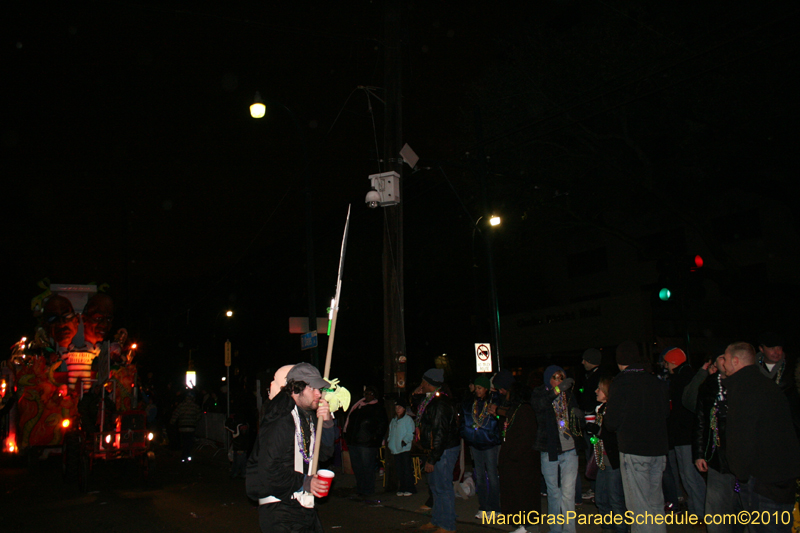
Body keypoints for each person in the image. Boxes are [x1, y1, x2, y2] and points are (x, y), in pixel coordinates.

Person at [719, 342, 800, 533]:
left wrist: (741, 473)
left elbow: (743, 437)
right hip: (779, 476)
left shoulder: (745, 390)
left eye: (726, 358)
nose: (723, 362)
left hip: (764, 480)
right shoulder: (764, 385)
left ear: (736, 361)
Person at [246, 362, 336, 533]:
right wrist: (305, 482)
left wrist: (327, 425)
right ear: (296, 389)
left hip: (303, 509)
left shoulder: (306, 416)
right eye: (313, 389)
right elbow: (269, 470)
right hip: (281, 512)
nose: (319, 393)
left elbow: (324, 454)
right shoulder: (280, 419)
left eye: (320, 389)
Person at [604, 340, 669, 533]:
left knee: (639, 508)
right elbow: (666, 412)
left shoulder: (621, 383)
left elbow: (611, 422)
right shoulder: (656, 381)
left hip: (634, 450)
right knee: (656, 504)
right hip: (658, 450)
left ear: (619, 362)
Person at [693, 353, 743, 533]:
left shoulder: (743, 384)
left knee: (740, 507)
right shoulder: (708, 386)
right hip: (716, 455)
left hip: (741, 457)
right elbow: (700, 421)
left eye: (727, 358)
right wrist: (699, 454)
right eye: (721, 358)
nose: (724, 362)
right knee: (717, 508)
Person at [531, 365, 583, 533]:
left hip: (569, 449)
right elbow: (539, 405)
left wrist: (577, 415)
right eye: (555, 377)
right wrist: (557, 391)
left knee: (568, 494)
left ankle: (569, 530)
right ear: (548, 379)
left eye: (562, 378)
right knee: (554, 494)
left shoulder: (568, 395)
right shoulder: (541, 393)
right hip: (550, 450)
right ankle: (556, 530)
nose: (559, 381)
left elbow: (577, 419)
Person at [664, 347, 706, 524]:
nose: (665, 366)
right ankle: (697, 511)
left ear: (673, 362)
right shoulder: (681, 377)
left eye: (666, 362)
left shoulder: (682, 379)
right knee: (687, 476)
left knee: (691, 476)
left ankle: (702, 513)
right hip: (683, 434)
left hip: (685, 435)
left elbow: (681, 411)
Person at [414, 368, 460, 533]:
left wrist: (433, 458)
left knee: (443, 487)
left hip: (443, 450)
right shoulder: (430, 400)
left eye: (423, 382)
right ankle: (438, 519)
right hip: (437, 449)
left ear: (428, 383)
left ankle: (447, 525)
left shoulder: (439, 403)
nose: (421, 385)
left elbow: (440, 433)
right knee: (435, 487)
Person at [585, 375, 627, 533]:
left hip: (612, 461)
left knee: (615, 499)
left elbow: (613, 434)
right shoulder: (600, 409)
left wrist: (598, 430)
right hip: (602, 460)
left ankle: (621, 529)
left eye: (600, 389)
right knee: (601, 499)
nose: (596, 391)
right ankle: (608, 528)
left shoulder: (614, 409)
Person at [498, 381, 540, 533]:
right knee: (516, 494)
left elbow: (526, 437)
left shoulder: (525, 410)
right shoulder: (516, 409)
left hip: (522, 462)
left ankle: (527, 525)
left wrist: (512, 454)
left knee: (524, 495)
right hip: (515, 461)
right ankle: (520, 524)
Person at [460, 375, 502, 517]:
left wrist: (495, 413)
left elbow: (498, 419)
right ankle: (483, 506)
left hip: (489, 443)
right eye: (476, 388)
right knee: (479, 476)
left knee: (492, 474)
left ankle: (495, 507)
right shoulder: (471, 402)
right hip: (475, 443)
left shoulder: (493, 401)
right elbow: (464, 417)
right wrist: (466, 434)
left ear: (486, 389)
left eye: (480, 388)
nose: (477, 391)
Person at [343, 385, 387, 496]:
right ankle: (360, 488)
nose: (368, 396)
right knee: (357, 467)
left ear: (375, 396)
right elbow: (350, 422)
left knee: (367, 467)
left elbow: (382, 425)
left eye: (370, 394)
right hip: (354, 442)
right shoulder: (358, 406)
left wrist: (374, 438)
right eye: (366, 394)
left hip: (367, 444)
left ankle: (368, 490)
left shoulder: (378, 408)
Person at [576, 348, 603, 502]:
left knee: (594, 455)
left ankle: (596, 488)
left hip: (593, 422)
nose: (582, 363)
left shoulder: (596, 377)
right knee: (593, 455)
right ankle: (596, 488)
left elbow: (591, 399)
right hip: (590, 421)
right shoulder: (590, 376)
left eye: (585, 360)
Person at [387, 398, 416, 496]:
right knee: (399, 470)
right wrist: (389, 442)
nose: (397, 409)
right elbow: (391, 433)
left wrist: (405, 442)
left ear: (404, 408)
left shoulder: (408, 420)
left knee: (406, 469)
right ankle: (402, 487)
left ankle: (410, 488)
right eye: (396, 407)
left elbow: (410, 433)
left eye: (399, 407)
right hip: (395, 449)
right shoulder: (394, 420)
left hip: (404, 449)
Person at [170, 391, 202, 462]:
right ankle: (188, 455)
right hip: (191, 427)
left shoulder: (181, 405)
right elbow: (200, 415)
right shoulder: (195, 406)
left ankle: (184, 456)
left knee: (184, 441)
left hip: (182, 427)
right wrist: (194, 420)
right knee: (189, 441)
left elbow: (175, 414)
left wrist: (172, 422)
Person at [226, 412, 250, 479]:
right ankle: (243, 473)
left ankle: (234, 474)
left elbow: (227, 426)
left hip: (238, 446)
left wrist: (230, 419)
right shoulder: (247, 424)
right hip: (245, 446)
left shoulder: (237, 426)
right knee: (243, 461)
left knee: (236, 462)